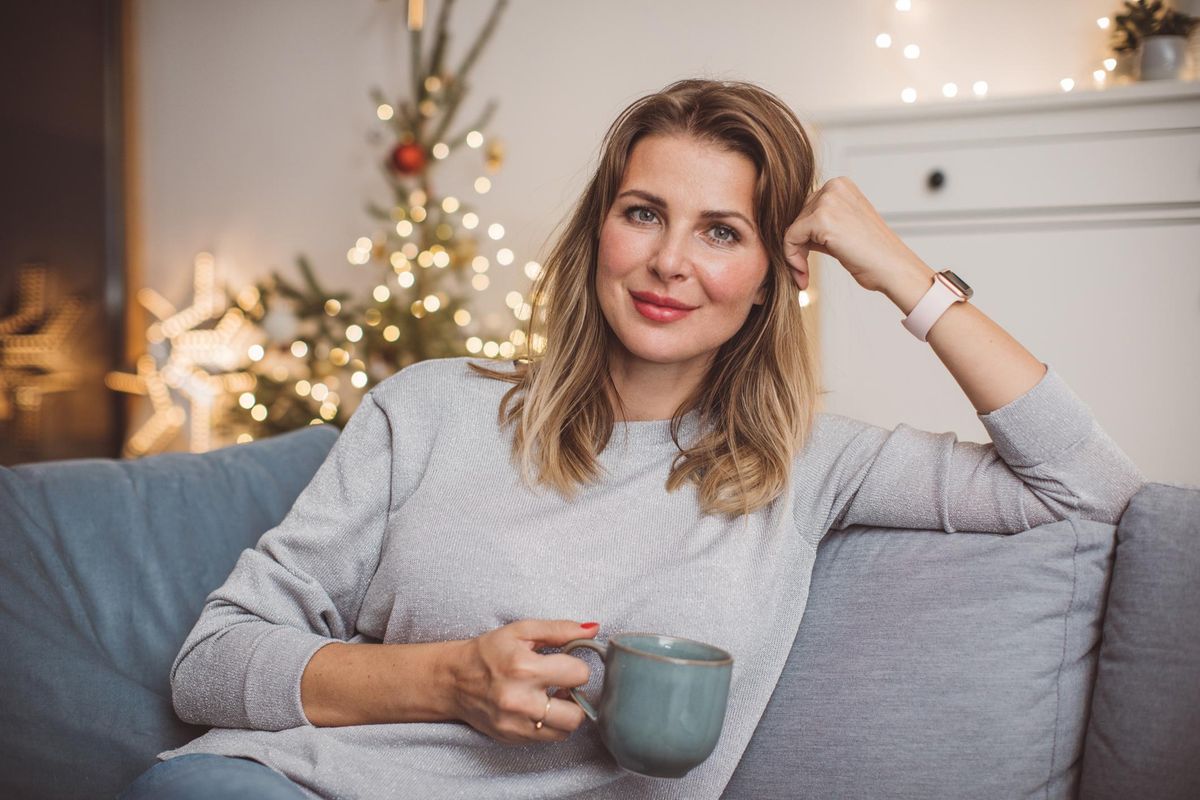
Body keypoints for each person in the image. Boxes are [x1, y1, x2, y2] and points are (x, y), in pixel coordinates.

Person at [119, 78, 1145, 800]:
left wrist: (903, 274)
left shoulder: (809, 463)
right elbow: (210, 663)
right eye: (644, 213)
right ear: (598, 233)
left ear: (770, 279)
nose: (668, 262)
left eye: (721, 231)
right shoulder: (429, 409)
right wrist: (448, 678)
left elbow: (1089, 486)